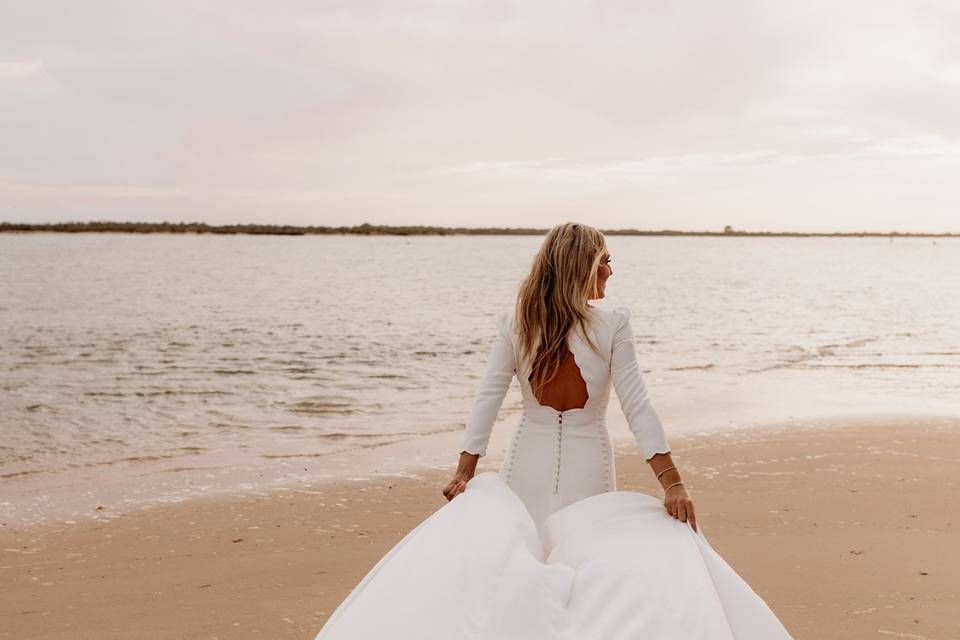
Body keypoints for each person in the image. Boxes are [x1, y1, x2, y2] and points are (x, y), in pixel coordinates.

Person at [313, 223, 794, 639]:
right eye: (605, 260)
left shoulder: (516, 324)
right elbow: (637, 407)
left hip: (526, 464)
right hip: (587, 468)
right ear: (582, 267)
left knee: (515, 576)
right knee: (584, 581)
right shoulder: (610, 326)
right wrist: (671, 482)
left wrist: (466, 471)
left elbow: (488, 399)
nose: (611, 270)